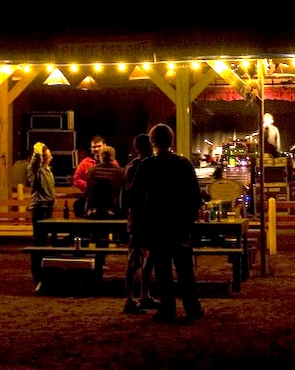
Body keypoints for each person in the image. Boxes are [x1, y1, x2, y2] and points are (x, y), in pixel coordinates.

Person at [130, 124, 205, 323]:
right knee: (185, 269)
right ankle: (192, 307)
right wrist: (189, 220)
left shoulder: (147, 166)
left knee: (163, 269)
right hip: (179, 224)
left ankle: (167, 308)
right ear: (171, 141)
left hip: (157, 224)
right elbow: (195, 196)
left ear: (153, 142)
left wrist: (139, 225)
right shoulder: (183, 164)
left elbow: (136, 197)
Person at [122, 133, 159, 314]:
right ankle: (136, 297)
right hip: (144, 217)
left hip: (137, 217)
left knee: (139, 258)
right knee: (141, 258)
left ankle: (138, 296)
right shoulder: (149, 165)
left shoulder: (132, 167)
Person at [73, 135, 118, 217]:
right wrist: (90, 187)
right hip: (90, 198)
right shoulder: (85, 163)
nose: (96, 149)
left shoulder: (114, 163)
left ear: (104, 145)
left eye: (99, 146)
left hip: (110, 200)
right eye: (94, 147)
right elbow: (76, 179)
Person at [27, 141, 56, 259]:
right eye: (48, 156)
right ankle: (37, 263)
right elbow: (33, 165)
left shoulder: (48, 171)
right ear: (43, 158)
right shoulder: (37, 171)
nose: (51, 158)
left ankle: (43, 262)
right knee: (39, 238)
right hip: (39, 207)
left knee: (44, 237)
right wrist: (38, 152)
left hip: (48, 206)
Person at [84, 145, 125, 219]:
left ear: (100, 157)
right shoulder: (119, 171)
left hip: (94, 208)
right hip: (112, 208)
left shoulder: (92, 170)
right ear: (113, 157)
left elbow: (88, 190)